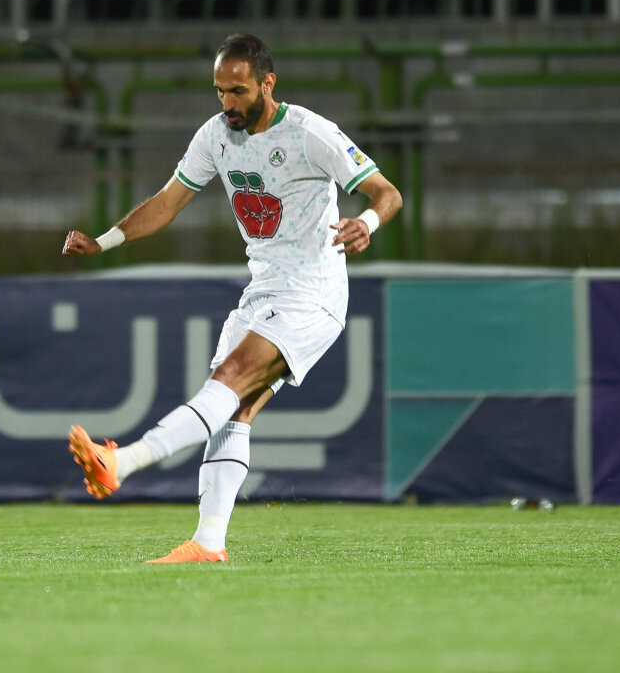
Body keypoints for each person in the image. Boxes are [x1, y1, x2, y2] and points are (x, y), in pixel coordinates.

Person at [62, 33, 403, 564]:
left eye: (238, 91)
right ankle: (208, 543)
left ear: (268, 83)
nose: (228, 103)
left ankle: (122, 462)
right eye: (220, 91)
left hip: (312, 293)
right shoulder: (216, 135)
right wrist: (103, 241)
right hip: (262, 290)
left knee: (228, 380)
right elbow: (167, 202)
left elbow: (388, 193)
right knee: (233, 409)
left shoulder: (311, 132)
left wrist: (367, 222)